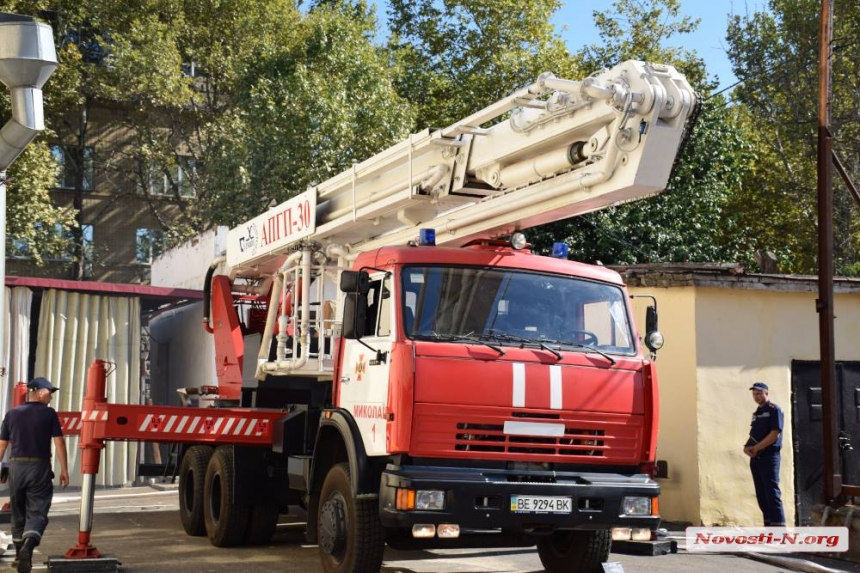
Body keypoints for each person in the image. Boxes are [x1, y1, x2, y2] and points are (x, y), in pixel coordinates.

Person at [0, 377, 69, 573]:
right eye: (49, 392)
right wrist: (64, 469)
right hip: (39, 468)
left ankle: (19, 555)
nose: (51, 397)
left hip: (16, 468)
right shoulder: (48, 414)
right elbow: (59, 443)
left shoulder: (11, 414)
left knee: (18, 511)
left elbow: (2, 445)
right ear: (38, 392)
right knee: (37, 510)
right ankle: (28, 546)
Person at [743, 381, 786, 526]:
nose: (756, 396)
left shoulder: (774, 410)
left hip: (769, 456)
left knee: (772, 493)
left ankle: (779, 532)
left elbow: (775, 434)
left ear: (766, 393)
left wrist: (756, 448)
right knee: (761, 495)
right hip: (756, 458)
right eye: (754, 394)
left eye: (759, 393)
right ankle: (769, 529)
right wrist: (747, 447)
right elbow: (754, 434)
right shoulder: (757, 413)